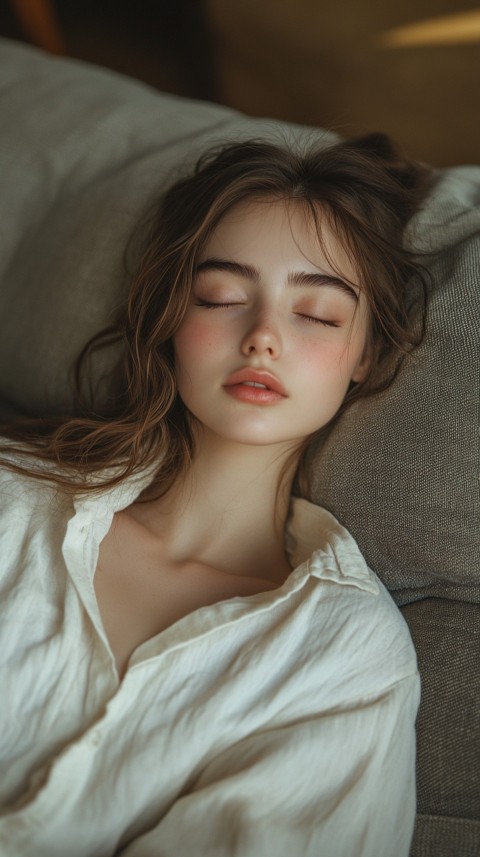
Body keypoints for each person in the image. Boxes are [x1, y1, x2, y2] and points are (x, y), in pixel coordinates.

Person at [0, 133, 430, 856]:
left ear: (367, 354)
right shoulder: (14, 500)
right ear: (172, 318)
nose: (263, 335)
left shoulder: (347, 658)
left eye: (318, 313)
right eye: (222, 297)